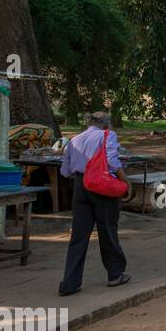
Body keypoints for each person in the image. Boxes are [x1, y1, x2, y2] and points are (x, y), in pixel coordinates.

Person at [58, 112, 131, 296]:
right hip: (102, 186)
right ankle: (115, 274)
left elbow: (65, 171)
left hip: (80, 186)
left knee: (79, 236)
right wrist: (126, 182)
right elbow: (113, 163)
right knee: (107, 230)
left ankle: (70, 283)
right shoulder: (107, 135)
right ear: (107, 125)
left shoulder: (73, 140)